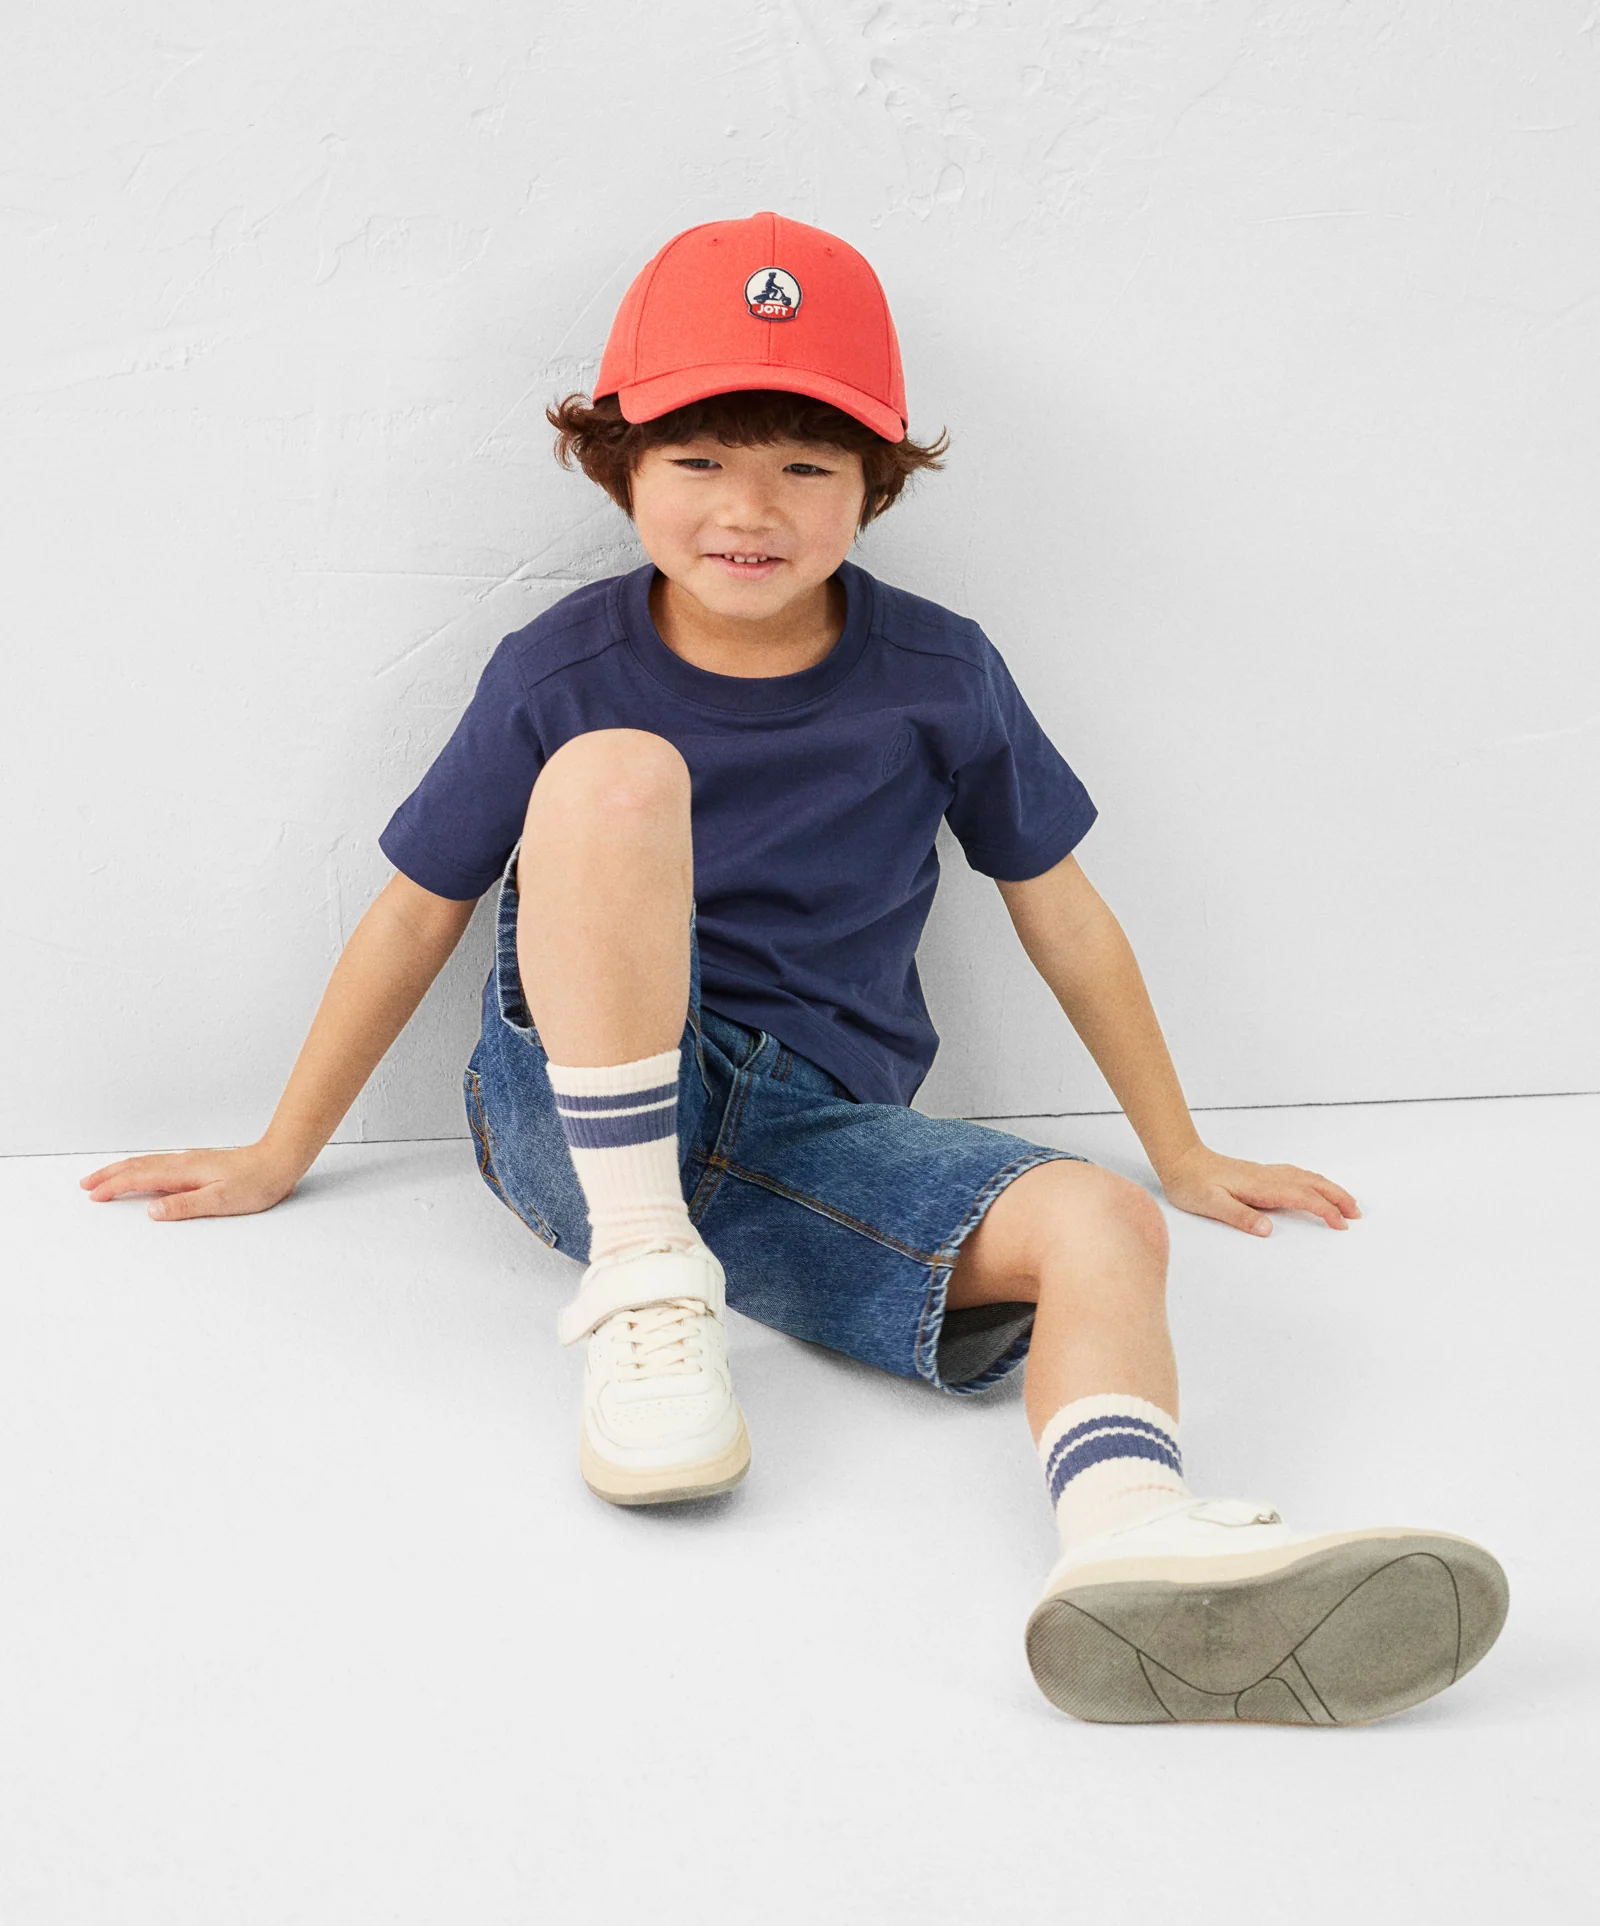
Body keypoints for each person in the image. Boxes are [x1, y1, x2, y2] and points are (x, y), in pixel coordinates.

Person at [80, 211, 1508, 1727]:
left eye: (806, 467)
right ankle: (645, 1276)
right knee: (617, 774)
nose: (747, 509)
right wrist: (277, 1151)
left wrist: (1181, 1151)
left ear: (873, 485)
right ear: (620, 466)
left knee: (1103, 1223)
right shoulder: (563, 671)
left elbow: (1063, 912)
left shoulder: (939, 671)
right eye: (698, 459)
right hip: (574, 1113)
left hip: (815, 1139)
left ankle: (1130, 1546)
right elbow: (416, 912)